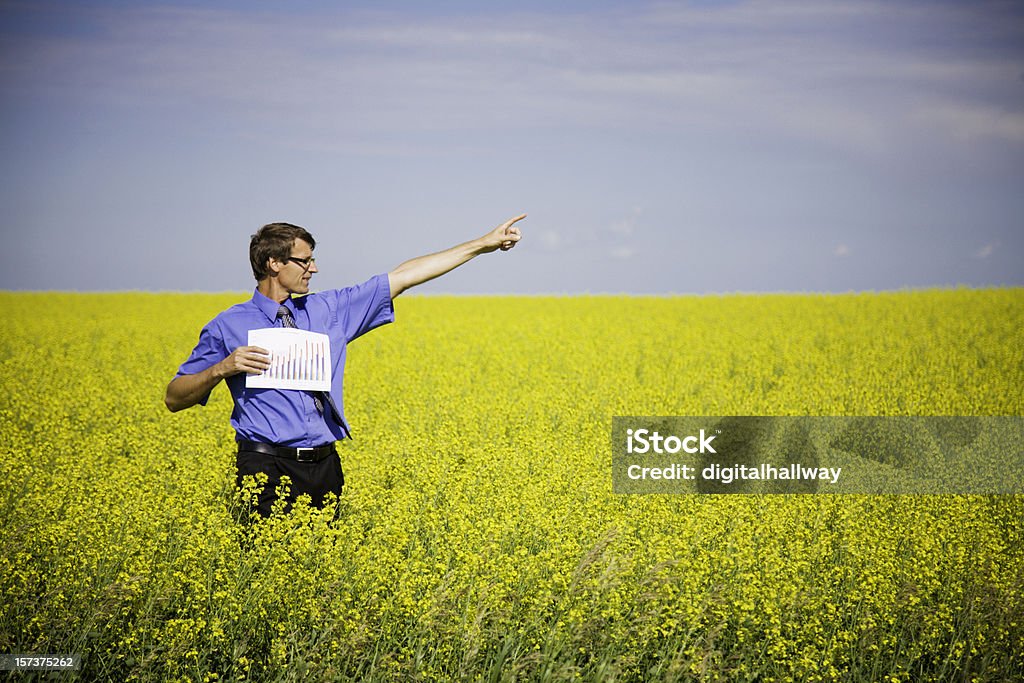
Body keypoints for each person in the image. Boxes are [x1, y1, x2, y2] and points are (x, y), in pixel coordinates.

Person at [165, 214, 526, 518]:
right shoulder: (228, 325)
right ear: (274, 264)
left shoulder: (329, 310)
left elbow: (403, 276)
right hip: (264, 468)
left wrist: (483, 244)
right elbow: (174, 397)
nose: (314, 268)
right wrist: (221, 368)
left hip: (323, 467)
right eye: (304, 261)